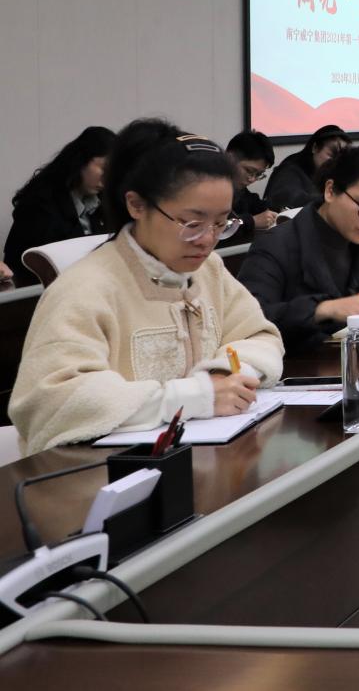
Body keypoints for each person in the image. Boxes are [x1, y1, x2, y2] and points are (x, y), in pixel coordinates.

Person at [9, 119, 283, 454]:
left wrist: (221, 376)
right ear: (137, 205)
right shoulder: (86, 288)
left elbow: (260, 336)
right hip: (100, 472)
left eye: (221, 222)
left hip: (201, 458)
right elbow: (53, 401)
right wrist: (194, 396)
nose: (208, 240)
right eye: (192, 223)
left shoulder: (208, 270)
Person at [239, 146, 359, 351]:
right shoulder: (276, 245)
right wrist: (322, 309)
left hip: (354, 362)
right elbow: (248, 321)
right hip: (290, 364)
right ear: (330, 191)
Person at [4, 126, 116, 283]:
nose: (107, 179)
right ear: (82, 160)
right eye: (104, 168)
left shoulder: (104, 201)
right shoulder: (40, 204)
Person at [264, 125, 348, 211]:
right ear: (315, 148)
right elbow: (290, 199)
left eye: (341, 158)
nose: (336, 162)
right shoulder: (289, 170)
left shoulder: (335, 175)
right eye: (331, 155)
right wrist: (331, 199)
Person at [226, 130, 279, 236]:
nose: (252, 179)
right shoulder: (207, 186)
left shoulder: (240, 191)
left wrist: (279, 211)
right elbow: (216, 227)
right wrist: (252, 221)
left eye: (258, 174)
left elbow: (256, 204)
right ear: (230, 158)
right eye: (249, 171)